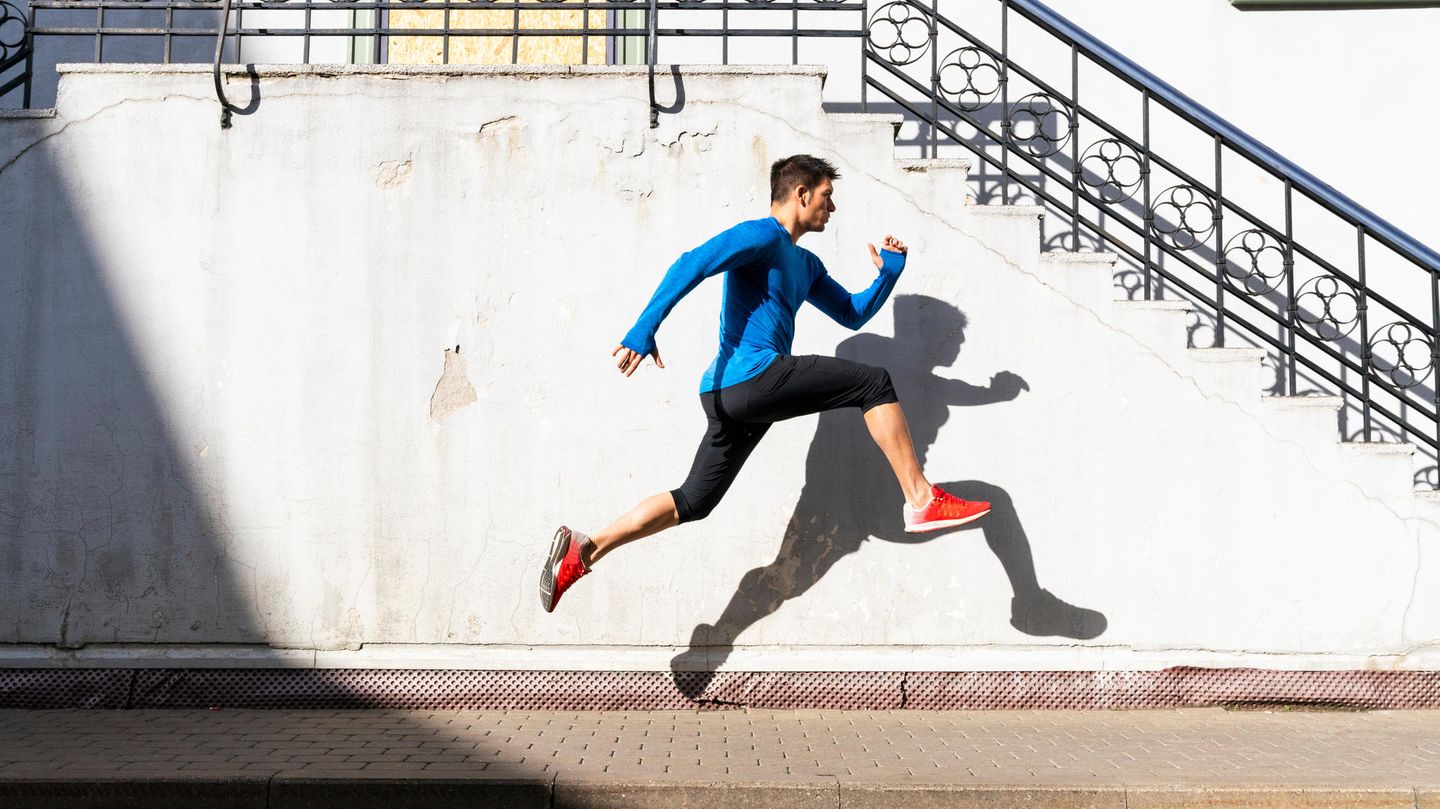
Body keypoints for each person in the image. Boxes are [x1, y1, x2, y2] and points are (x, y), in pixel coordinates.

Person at [540, 154, 990, 614]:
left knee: (693, 502)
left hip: (727, 396)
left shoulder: (805, 263)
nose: (831, 210)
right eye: (827, 197)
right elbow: (691, 264)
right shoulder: (762, 235)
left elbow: (852, 314)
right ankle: (920, 498)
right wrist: (644, 328)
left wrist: (888, 273)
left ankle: (585, 548)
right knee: (873, 382)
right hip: (753, 378)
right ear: (801, 194)